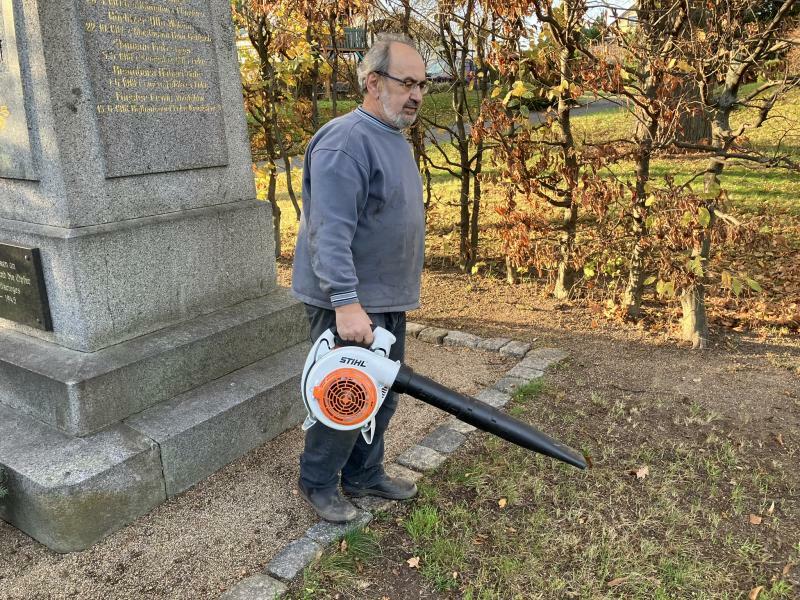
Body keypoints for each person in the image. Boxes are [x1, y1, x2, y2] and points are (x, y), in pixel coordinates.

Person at [291, 33, 428, 523]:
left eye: (422, 85)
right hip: (349, 304)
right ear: (373, 82)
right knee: (343, 396)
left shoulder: (391, 138)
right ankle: (319, 482)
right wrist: (346, 303)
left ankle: (364, 474)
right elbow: (328, 231)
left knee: (381, 393)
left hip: (383, 299)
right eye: (406, 82)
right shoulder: (346, 141)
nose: (416, 94)